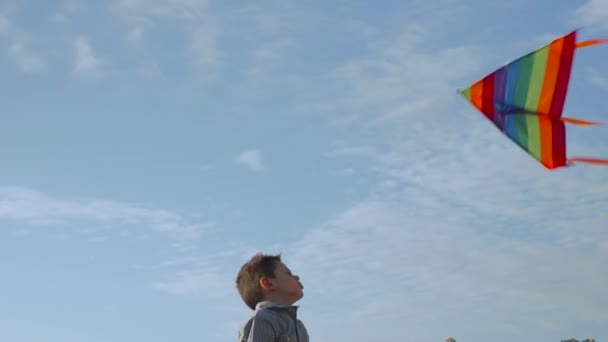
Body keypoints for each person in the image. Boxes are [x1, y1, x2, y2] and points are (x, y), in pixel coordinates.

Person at [236, 253, 308, 342]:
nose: (297, 277)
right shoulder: (263, 318)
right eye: (289, 273)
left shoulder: (298, 326)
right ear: (268, 283)